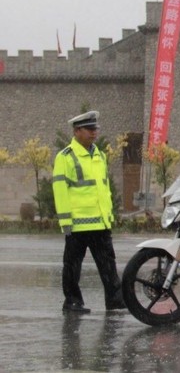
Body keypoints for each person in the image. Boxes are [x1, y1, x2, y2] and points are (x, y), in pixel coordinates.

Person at [53, 110, 124, 314]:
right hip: (77, 224)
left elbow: (104, 189)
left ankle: (115, 300)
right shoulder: (65, 157)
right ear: (77, 131)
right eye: (90, 129)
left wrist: (108, 216)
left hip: (100, 222)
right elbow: (60, 190)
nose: (94, 133)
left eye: (96, 129)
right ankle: (72, 301)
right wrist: (65, 221)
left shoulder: (99, 156)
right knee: (73, 265)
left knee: (108, 264)